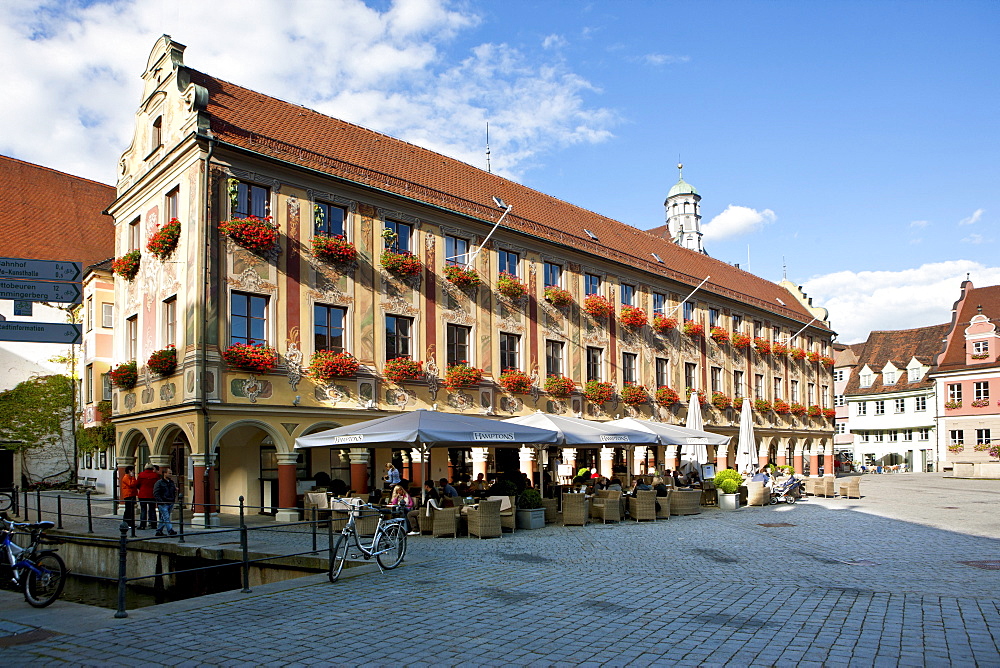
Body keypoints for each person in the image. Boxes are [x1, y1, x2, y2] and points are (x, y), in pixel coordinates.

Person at [153, 466, 178, 537]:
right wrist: (161, 501)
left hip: (170, 502)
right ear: (164, 474)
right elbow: (156, 493)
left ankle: (159, 531)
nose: (171, 474)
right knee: (166, 517)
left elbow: (173, 491)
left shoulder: (171, 482)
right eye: (169, 473)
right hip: (163, 503)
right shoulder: (159, 483)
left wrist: (173, 499)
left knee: (163, 518)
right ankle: (170, 530)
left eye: (171, 473)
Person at [136, 463, 160, 530]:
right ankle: (153, 524)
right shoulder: (156, 475)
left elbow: (137, 484)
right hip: (152, 494)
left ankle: (143, 525)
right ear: (152, 468)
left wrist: (141, 488)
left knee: (143, 510)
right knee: (152, 509)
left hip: (142, 494)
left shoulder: (141, 475)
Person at [120, 466, 139, 530]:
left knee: (131, 510)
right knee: (128, 510)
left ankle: (130, 523)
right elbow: (131, 484)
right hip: (128, 495)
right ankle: (127, 523)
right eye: (132, 470)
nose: (134, 471)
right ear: (129, 471)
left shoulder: (129, 477)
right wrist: (133, 477)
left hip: (132, 494)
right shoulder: (126, 477)